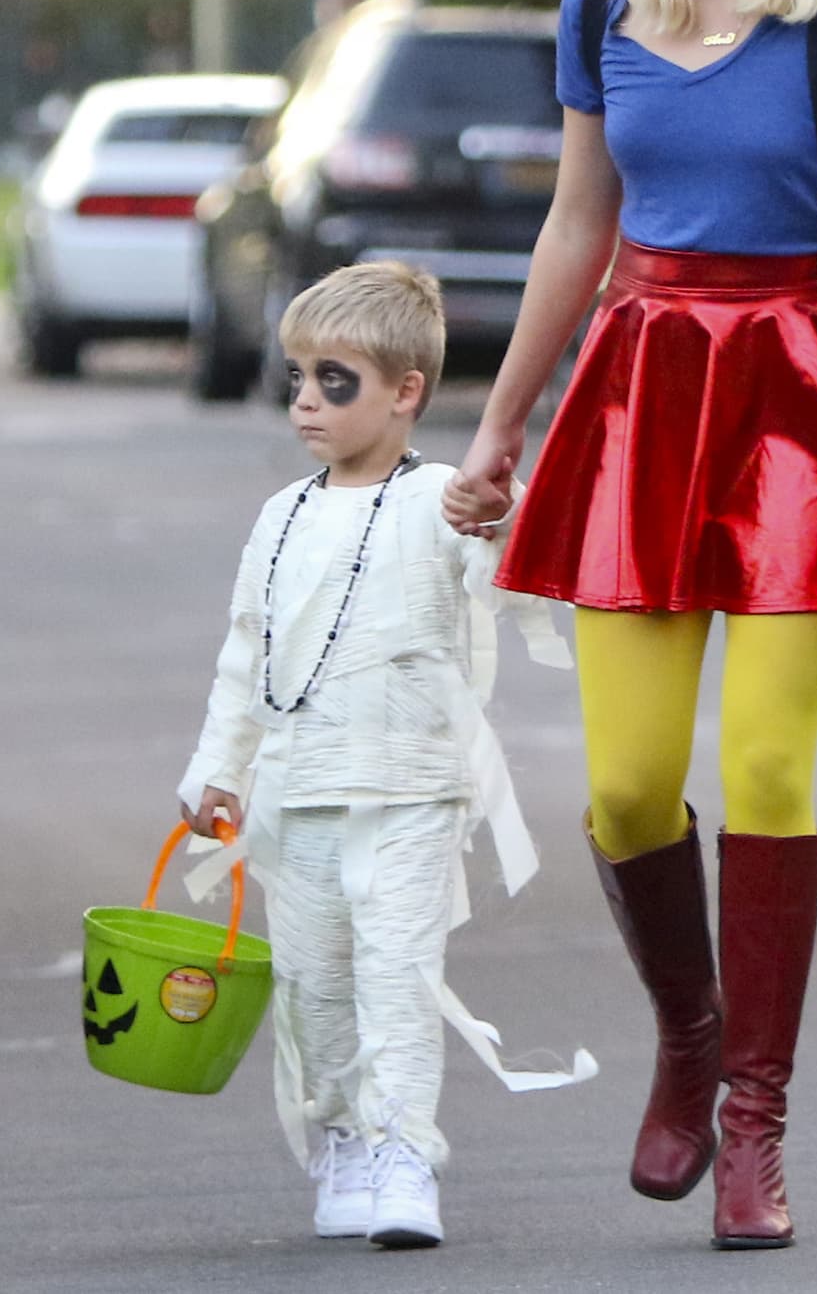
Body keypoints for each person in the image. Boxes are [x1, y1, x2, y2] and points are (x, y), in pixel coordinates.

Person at [443, 0, 817, 1251]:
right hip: (645, 382)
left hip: (803, 389)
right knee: (621, 782)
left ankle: (755, 1121)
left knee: (773, 773)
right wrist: (498, 423)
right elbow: (573, 230)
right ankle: (687, 1030)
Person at [176, 261, 590, 1252]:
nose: (306, 403)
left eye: (335, 381)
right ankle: (340, 1139)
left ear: (406, 391)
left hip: (409, 790)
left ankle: (404, 1149)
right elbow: (247, 652)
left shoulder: (441, 498)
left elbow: (523, 578)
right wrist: (218, 769)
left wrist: (499, 511)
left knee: (397, 972)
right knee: (315, 987)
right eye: (297, 379)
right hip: (297, 799)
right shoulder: (279, 518)